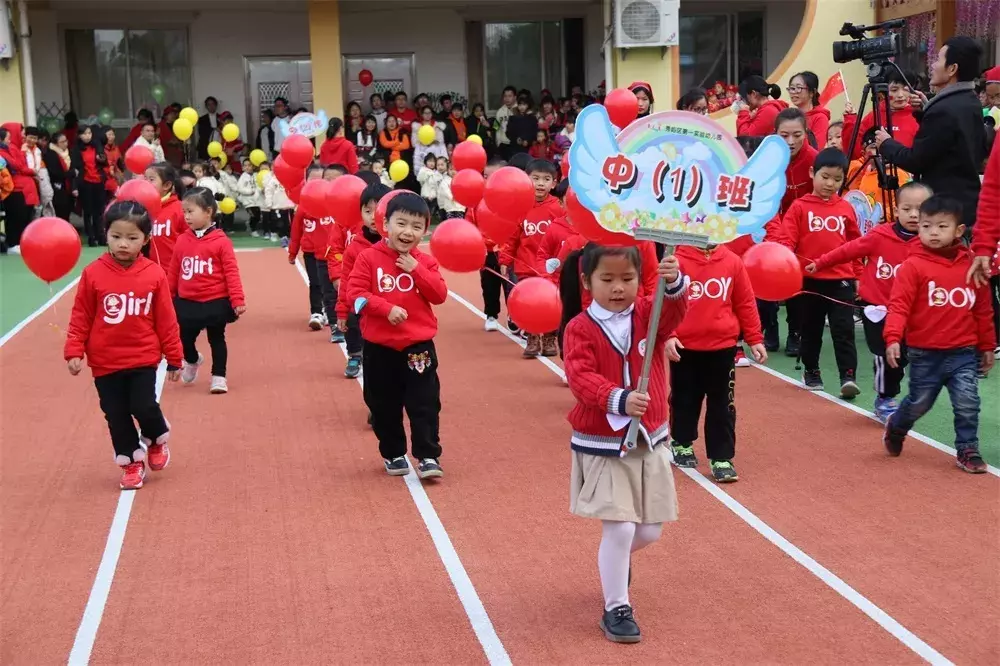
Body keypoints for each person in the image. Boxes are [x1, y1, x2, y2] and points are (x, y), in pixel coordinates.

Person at [562, 244, 687, 644]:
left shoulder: (648, 315)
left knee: (649, 531)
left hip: (649, 437)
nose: (619, 288)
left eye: (628, 279)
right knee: (619, 528)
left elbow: (673, 314)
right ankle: (616, 606)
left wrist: (676, 283)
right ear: (587, 281)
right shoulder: (579, 328)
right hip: (604, 440)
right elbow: (580, 377)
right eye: (608, 279)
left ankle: (613, 564)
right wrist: (617, 397)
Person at [64, 201, 183, 490]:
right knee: (116, 415)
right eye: (116, 236)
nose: (123, 244)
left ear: (146, 239)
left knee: (143, 405)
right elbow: (81, 314)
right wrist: (74, 350)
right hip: (105, 362)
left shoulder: (154, 275)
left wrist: (175, 357)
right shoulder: (93, 274)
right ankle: (130, 461)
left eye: (132, 238)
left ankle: (155, 437)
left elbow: (166, 319)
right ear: (106, 235)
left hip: (143, 357)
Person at [882, 195, 995, 473]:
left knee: (968, 401)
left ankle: (967, 449)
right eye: (926, 226)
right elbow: (899, 305)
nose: (933, 232)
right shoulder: (913, 266)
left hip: (963, 352)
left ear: (958, 230)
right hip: (925, 353)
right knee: (919, 403)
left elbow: (982, 309)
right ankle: (897, 425)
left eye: (941, 226)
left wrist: (987, 345)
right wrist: (893, 337)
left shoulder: (971, 265)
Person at [806, 181, 931, 422]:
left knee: (905, 358)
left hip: (915, 314)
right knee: (885, 355)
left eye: (922, 208)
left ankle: (897, 382)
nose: (914, 215)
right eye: (907, 209)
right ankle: (885, 398)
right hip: (878, 309)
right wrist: (820, 262)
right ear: (896, 210)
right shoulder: (880, 236)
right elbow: (848, 250)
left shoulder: (932, 243)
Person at [346, 192, 448, 479]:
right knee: (381, 403)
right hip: (379, 348)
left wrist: (417, 270)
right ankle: (393, 453)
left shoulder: (424, 262)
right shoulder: (368, 258)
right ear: (385, 224)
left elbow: (439, 295)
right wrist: (384, 308)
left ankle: (428, 455)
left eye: (416, 226)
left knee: (425, 401)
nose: (408, 232)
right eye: (401, 223)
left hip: (418, 347)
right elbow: (355, 296)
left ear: (425, 230)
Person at [666, 243, 766, 482]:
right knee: (684, 399)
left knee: (723, 404)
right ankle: (681, 442)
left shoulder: (732, 261)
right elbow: (661, 302)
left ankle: (722, 457)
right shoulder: (676, 261)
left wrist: (754, 338)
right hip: (684, 348)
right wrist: (668, 335)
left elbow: (744, 301)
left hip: (723, 347)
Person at [875, 37, 987, 229]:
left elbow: (915, 160)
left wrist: (886, 143)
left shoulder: (944, 110)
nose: (932, 65)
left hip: (943, 210)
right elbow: (952, 138)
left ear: (952, 69)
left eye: (937, 60)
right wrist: (926, 111)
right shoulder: (970, 100)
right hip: (966, 203)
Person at [779, 147, 861, 396]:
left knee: (843, 329)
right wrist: (786, 266)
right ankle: (811, 370)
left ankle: (848, 376)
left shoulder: (846, 208)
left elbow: (855, 244)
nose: (830, 184)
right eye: (825, 177)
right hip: (809, 280)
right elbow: (786, 241)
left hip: (841, 279)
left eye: (837, 179)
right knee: (811, 329)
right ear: (812, 172)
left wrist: (857, 275)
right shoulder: (799, 207)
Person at [167, 187, 246, 395]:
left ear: (208, 212)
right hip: (187, 301)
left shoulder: (221, 242)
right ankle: (192, 360)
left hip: (215, 300)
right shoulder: (182, 240)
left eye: (191, 211)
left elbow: (231, 272)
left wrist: (237, 299)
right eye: (184, 212)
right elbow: (174, 270)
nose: (186, 217)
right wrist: (168, 297)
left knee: (216, 338)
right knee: (183, 339)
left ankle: (219, 376)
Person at [500, 159, 563, 356]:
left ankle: (550, 338)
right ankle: (533, 338)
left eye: (546, 179)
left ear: (554, 183)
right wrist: (504, 259)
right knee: (529, 304)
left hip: (550, 268)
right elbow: (511, 236)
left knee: (552, 303)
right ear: (526, 180)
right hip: (525, 265)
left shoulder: (558, 207)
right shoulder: (520, 206)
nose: (540, 183)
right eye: (535, 178)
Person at [336, 182, 390, 379]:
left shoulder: (398, 245)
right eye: (368, 211)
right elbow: (345, 282)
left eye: (379, 211)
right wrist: (341, 311)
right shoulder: (355, 248)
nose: (373, 217)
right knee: (371, 358)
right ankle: (355, 356)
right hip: (362, 309)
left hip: (389, 312)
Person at [289, 166, 336, 329]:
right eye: (312, 180)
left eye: (320, 180)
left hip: (331, 252)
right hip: (310, 252)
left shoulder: (333, 203)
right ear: (306, 182)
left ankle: (332, 312)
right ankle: (316, 312)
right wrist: (292, 252)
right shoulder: (303, 207)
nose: (316, 184)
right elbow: (296, 231)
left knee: (331, 283)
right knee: (315, 282)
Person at [842, 68, 919, 160]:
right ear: (883, 91)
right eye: (894, 90)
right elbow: (855, 152)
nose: (900, 95)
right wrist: (851, 121)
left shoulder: (918, 116)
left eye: (906, 89)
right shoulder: (873, 116)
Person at [144, 162, 187, 268]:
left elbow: (192, 242)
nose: (146, 183)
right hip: (151, 275)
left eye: (151, 179)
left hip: (175, 275)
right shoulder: (142, 210)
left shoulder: (180, 209)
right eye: (145, 179)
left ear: (166, 185)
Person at [71, 125, 109, 248]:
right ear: (79, 136)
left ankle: (101, 236)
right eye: (84, 134)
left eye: (89, 133)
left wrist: (101, 158)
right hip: (85, 182)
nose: (87, 136)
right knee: (88, 212)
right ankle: (91, 237)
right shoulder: (76, 150)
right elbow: (74, 169)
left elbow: (105, 162)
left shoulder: (97, 145)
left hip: (98, 181)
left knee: (99, 211)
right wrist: (74, 187)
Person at [787, 71, 829, 148]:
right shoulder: (791, 116)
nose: (793, 92)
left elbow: (817, 148)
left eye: (799, 88)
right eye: (792, 88)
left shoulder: (820, 118)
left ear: (812, 92)